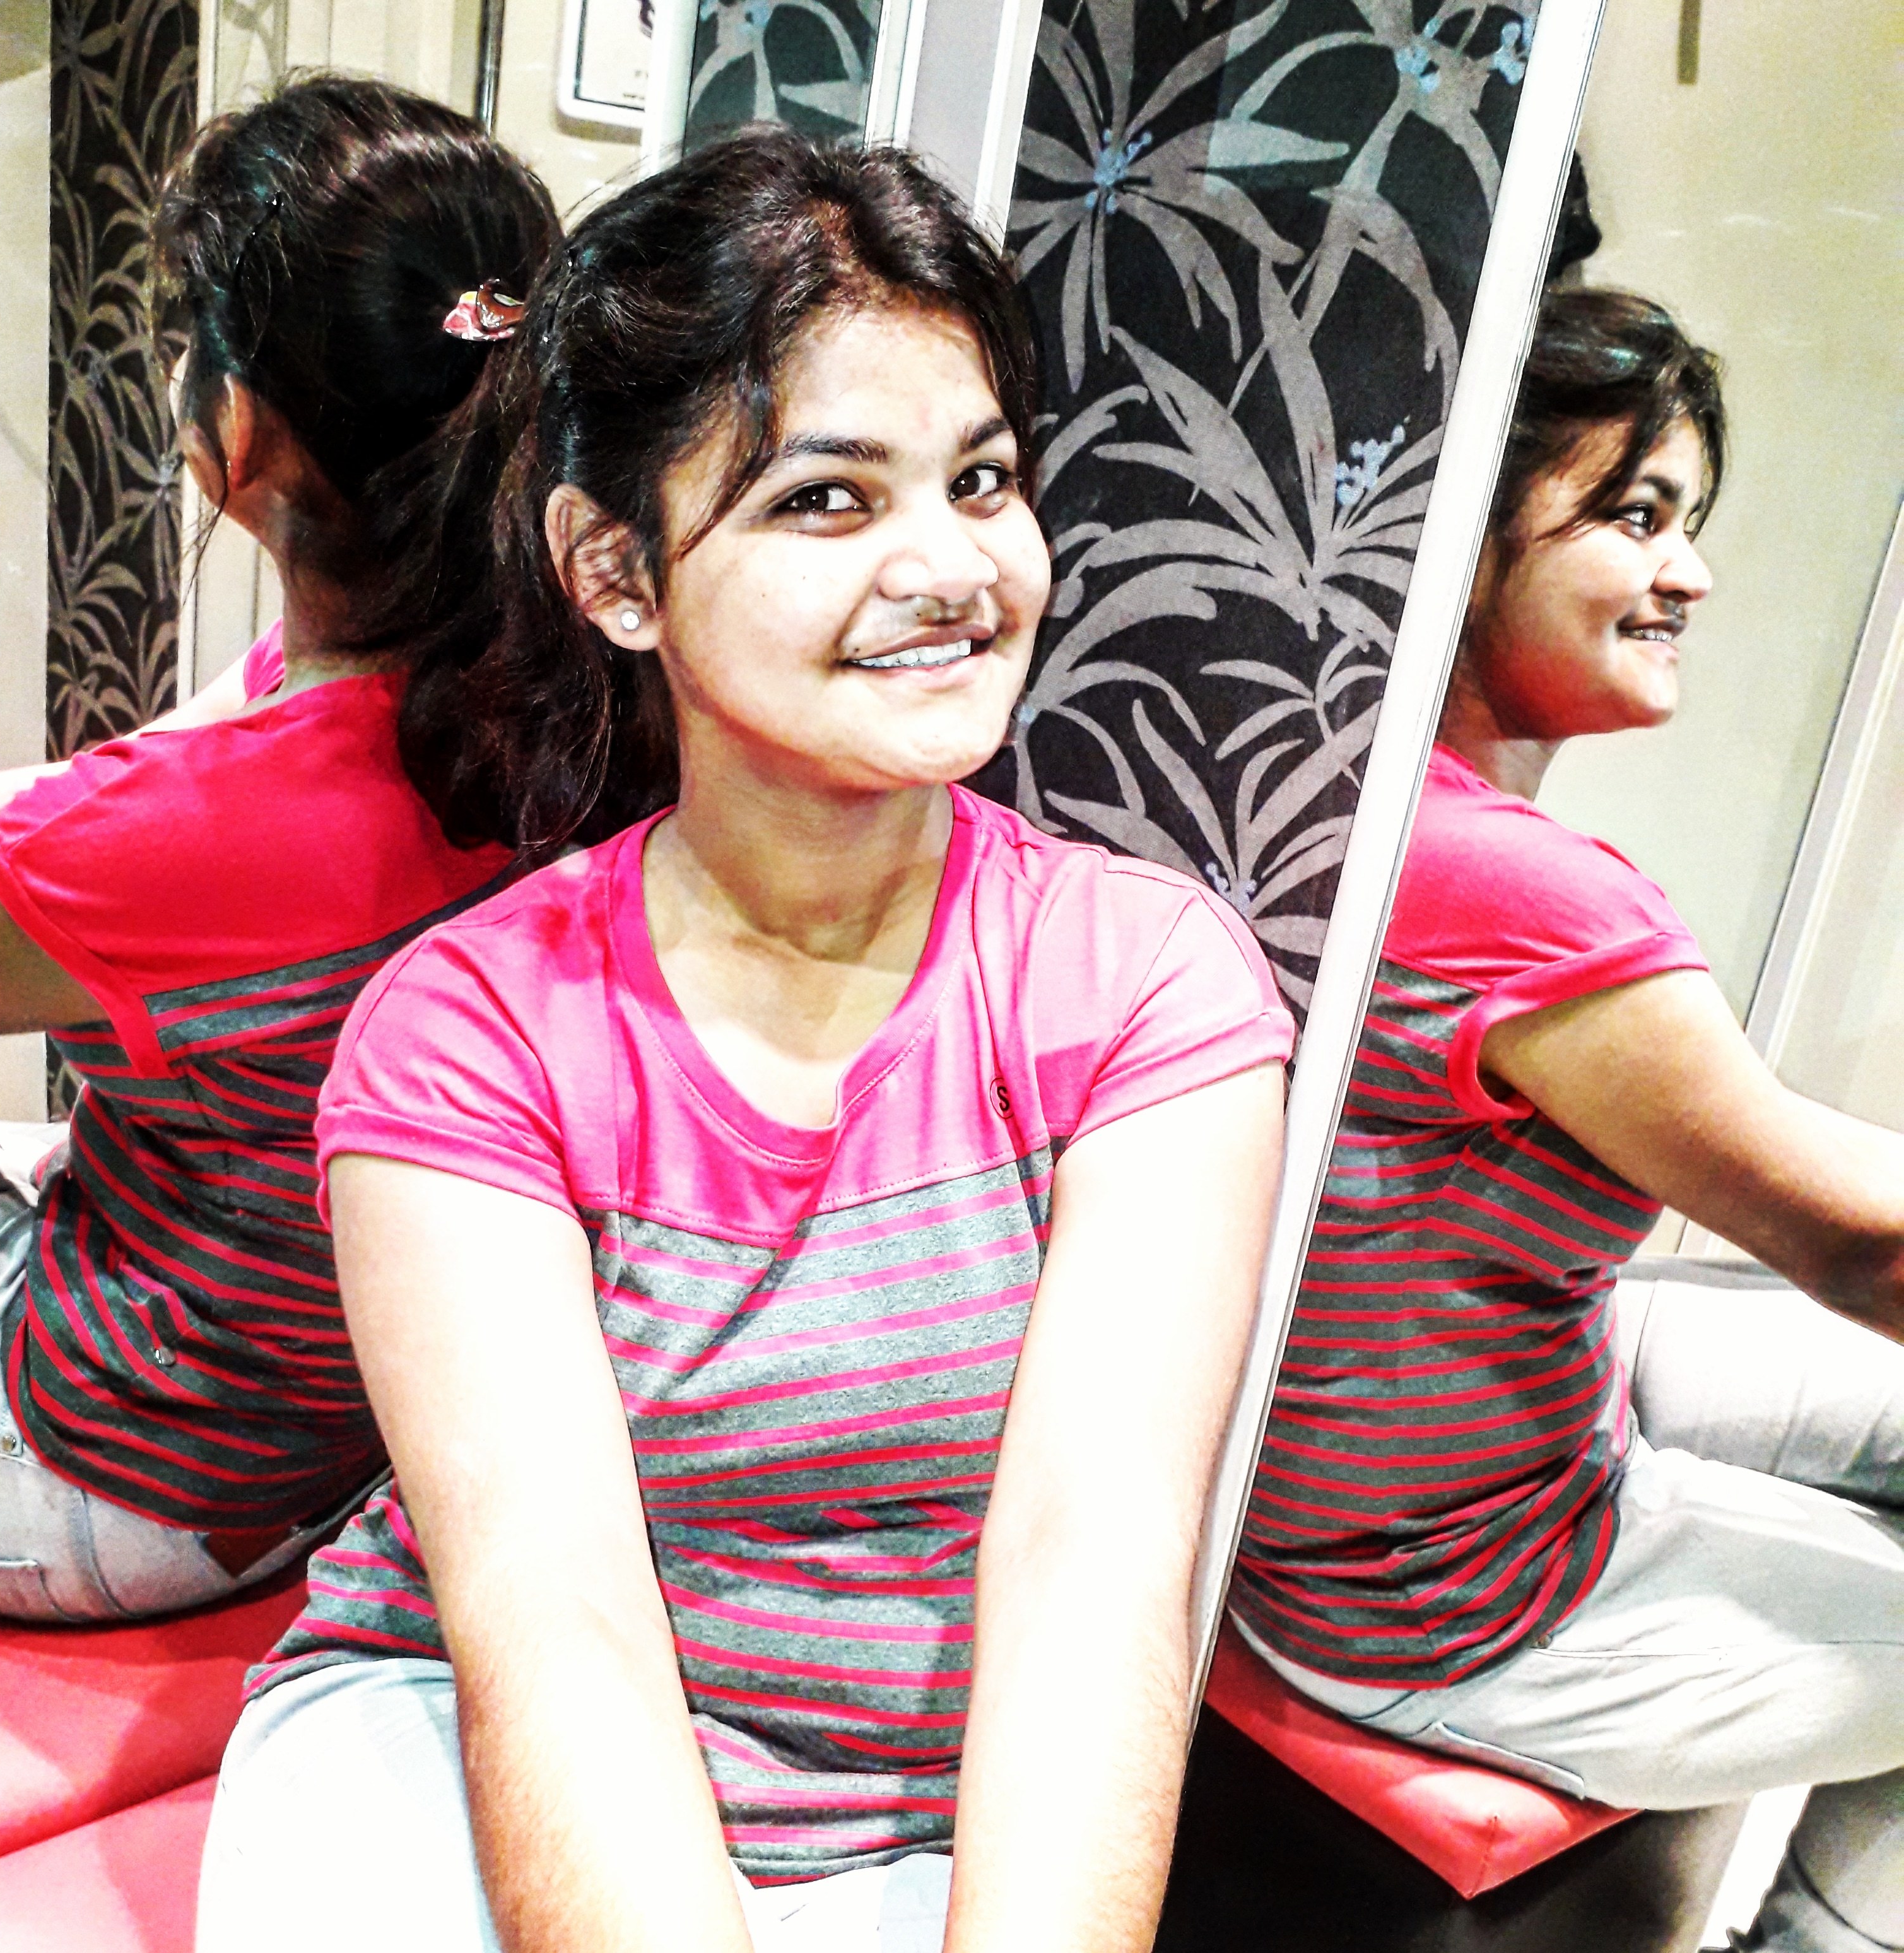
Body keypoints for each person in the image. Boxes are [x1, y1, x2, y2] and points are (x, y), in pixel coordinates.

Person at [194, 128, 1296, 1953]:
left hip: (906, 1807)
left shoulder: (1146, 986)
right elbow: (556, 1632)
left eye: (983, 480)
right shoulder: (471, 1034)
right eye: (826, 501)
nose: (951, 566)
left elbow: (1093, 1579)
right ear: (616, 571)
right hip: (460, 1741)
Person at [1231, 287, 1904, 1952]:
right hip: (1445, 1592)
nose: (1693, 573)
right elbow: (1866, 1246)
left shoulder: (1317, 779)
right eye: (1635, 515)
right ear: (1462, 536)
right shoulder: (1515, 891)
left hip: (1427, 1457)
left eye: (1689, 519)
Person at [0, 75, 561, 1621]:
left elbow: (118, 827)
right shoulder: (555, 697)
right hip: (318, 1444)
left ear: (236, 434)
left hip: (107, 1481)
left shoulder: (177, 841)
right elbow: (163, 777)